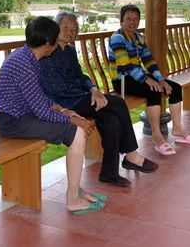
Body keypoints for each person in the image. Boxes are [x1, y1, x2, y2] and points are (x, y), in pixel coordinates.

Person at [0, 16, 101, 214]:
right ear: (47, 44)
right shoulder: (25, 65)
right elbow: (41, 111)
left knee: (75, 126)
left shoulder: (28, 57)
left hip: (23, 115)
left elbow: (39, 98)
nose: (58, 42)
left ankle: (75, 189)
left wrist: (63, 110)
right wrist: (73, 119)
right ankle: (72, 198)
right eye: (55, 38)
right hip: (13, 121)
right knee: (76, 132)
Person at [39, 12, 158, 187]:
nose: (70, 32)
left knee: (111, 120)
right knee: (117, 103)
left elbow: (81, 76)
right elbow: (56, 90)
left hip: (81, 98)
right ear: (56, 28)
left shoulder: (69, 51)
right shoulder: (47, 52)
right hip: (65, 104)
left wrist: (94, 89)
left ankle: (109, 173)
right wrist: (88, 95)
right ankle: (132, 155)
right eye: (66, 28)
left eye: (74, 29)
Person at [108, 5, 190, 156]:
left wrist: (160, 79)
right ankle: (157, 136)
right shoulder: (117, 38)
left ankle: (177, 129)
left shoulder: (138, 37)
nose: (132, 22)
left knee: (174, 87)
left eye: (135, 19)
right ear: (121, 21)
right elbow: (125, 65)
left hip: (137, 76)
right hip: (122, 80)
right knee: (153, 90)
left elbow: (148, 61)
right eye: (128, 19)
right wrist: (147, 80)